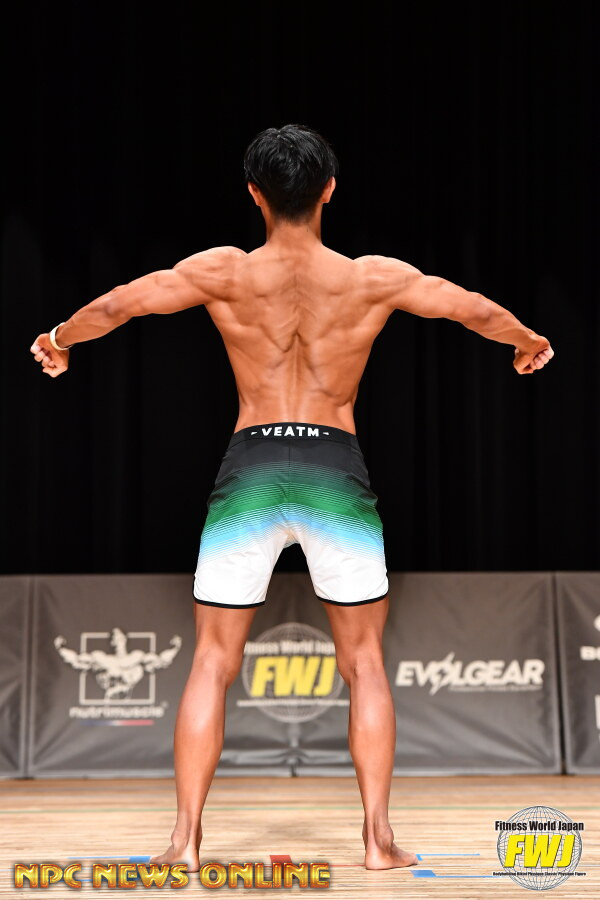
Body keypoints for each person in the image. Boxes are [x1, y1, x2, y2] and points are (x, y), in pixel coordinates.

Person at [30, 124, 554, 871]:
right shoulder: (370, 277)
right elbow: (465, 305)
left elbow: (122, 303)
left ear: (254, 194)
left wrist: (59, 338)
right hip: (334, 469)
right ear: (330, 189)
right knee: (364, 662)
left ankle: (184, 842)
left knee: (212, 661)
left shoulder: (223, 271)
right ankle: (376, 841)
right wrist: (526, 340)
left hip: (250, 468)